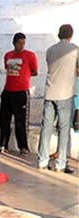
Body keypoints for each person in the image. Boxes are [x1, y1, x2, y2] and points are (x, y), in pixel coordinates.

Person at [38, 24, 79, 172]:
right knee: (63, 129)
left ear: (59, 34)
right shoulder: (75, 50)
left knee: (46, 128)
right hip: (65, 94)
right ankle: (61, 163)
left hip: (50, 93)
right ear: (71, 35)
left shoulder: (50, 50)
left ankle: (42, 160)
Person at [0, 33, 39, 155]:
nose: (21, 45)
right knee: (4, 119)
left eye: (23, 43)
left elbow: (35, 71)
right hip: (8, 90)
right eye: (19, 43)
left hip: (21, 91)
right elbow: (7, 69)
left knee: (21, 121)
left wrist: (24, 75)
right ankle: (3, 144)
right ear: (14, 43)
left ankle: (23, 147)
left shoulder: (30, 55)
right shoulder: (8, 55)